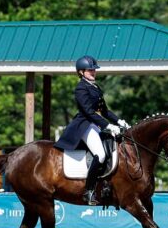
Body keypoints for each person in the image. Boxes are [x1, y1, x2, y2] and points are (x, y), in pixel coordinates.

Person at [53, 55, 130, 205]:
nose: (93, 72)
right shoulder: (81, 88)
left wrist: (119, 121)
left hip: (94, 124)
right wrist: (108, 126)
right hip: (84, 126)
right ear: (81, 72)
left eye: (94, 70)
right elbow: (89, 112)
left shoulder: (95, 87)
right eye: (90, 70)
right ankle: (89, 191)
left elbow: (104, 111)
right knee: (100, 155)